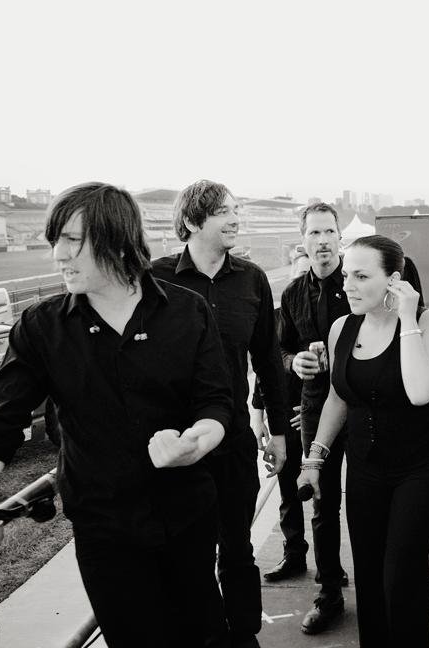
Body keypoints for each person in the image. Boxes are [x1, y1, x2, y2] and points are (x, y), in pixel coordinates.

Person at [0, 183, 233, 647]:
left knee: (208, 636)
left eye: (72, 240)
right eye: (54, 241)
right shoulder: (41, 327)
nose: (57, 255)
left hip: (189, 519)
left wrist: (198, 442)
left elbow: (215, 402)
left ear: (119, 240)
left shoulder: (188, 311)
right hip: (106, 535)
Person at [151, 179, 290, 648]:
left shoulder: (251, 279)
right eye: (223, 212)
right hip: (179, 446)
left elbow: (268, 360)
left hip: (232, 442)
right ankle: (206, 635)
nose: (235, 219)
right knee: (188, 553)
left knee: (237, 549)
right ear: (193, 221)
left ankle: (244, 634)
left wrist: (278, 431)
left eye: (236, 210)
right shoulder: (156, 280)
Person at [298, 234, 429, 647]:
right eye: (347, 275)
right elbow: (338, 398)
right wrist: (314, 460)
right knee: (367, 575)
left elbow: (421, 391)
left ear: (393, 280)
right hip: (365, 469)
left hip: (420, 470)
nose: (347, 285)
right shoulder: (342, 328)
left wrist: (407, 319)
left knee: (400, 577)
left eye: (361, 276)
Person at [276, 202, 352, 634]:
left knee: (369, 497)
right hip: (315, 405)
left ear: (339, 236)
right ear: (302, 240)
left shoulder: (359, 281)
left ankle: (383, 582)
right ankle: (329, 595)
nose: (322, 241)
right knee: (322, 502)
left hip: (363, 405)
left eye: (328, 232)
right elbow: (280, 350)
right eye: (313, 233)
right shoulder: (292, 295)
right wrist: (294, 363)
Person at [251, 250, 309, 581]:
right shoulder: (274, 317)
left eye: (307, 276)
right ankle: (294, 554)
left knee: (323, 495)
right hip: (283, 414)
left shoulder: (328, 315)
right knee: (287, 491)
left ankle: (331, 565)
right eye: (297, 275)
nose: (302, 281)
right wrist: (257, 416)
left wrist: (313, 412)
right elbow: (263, 371)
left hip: (318, 415)